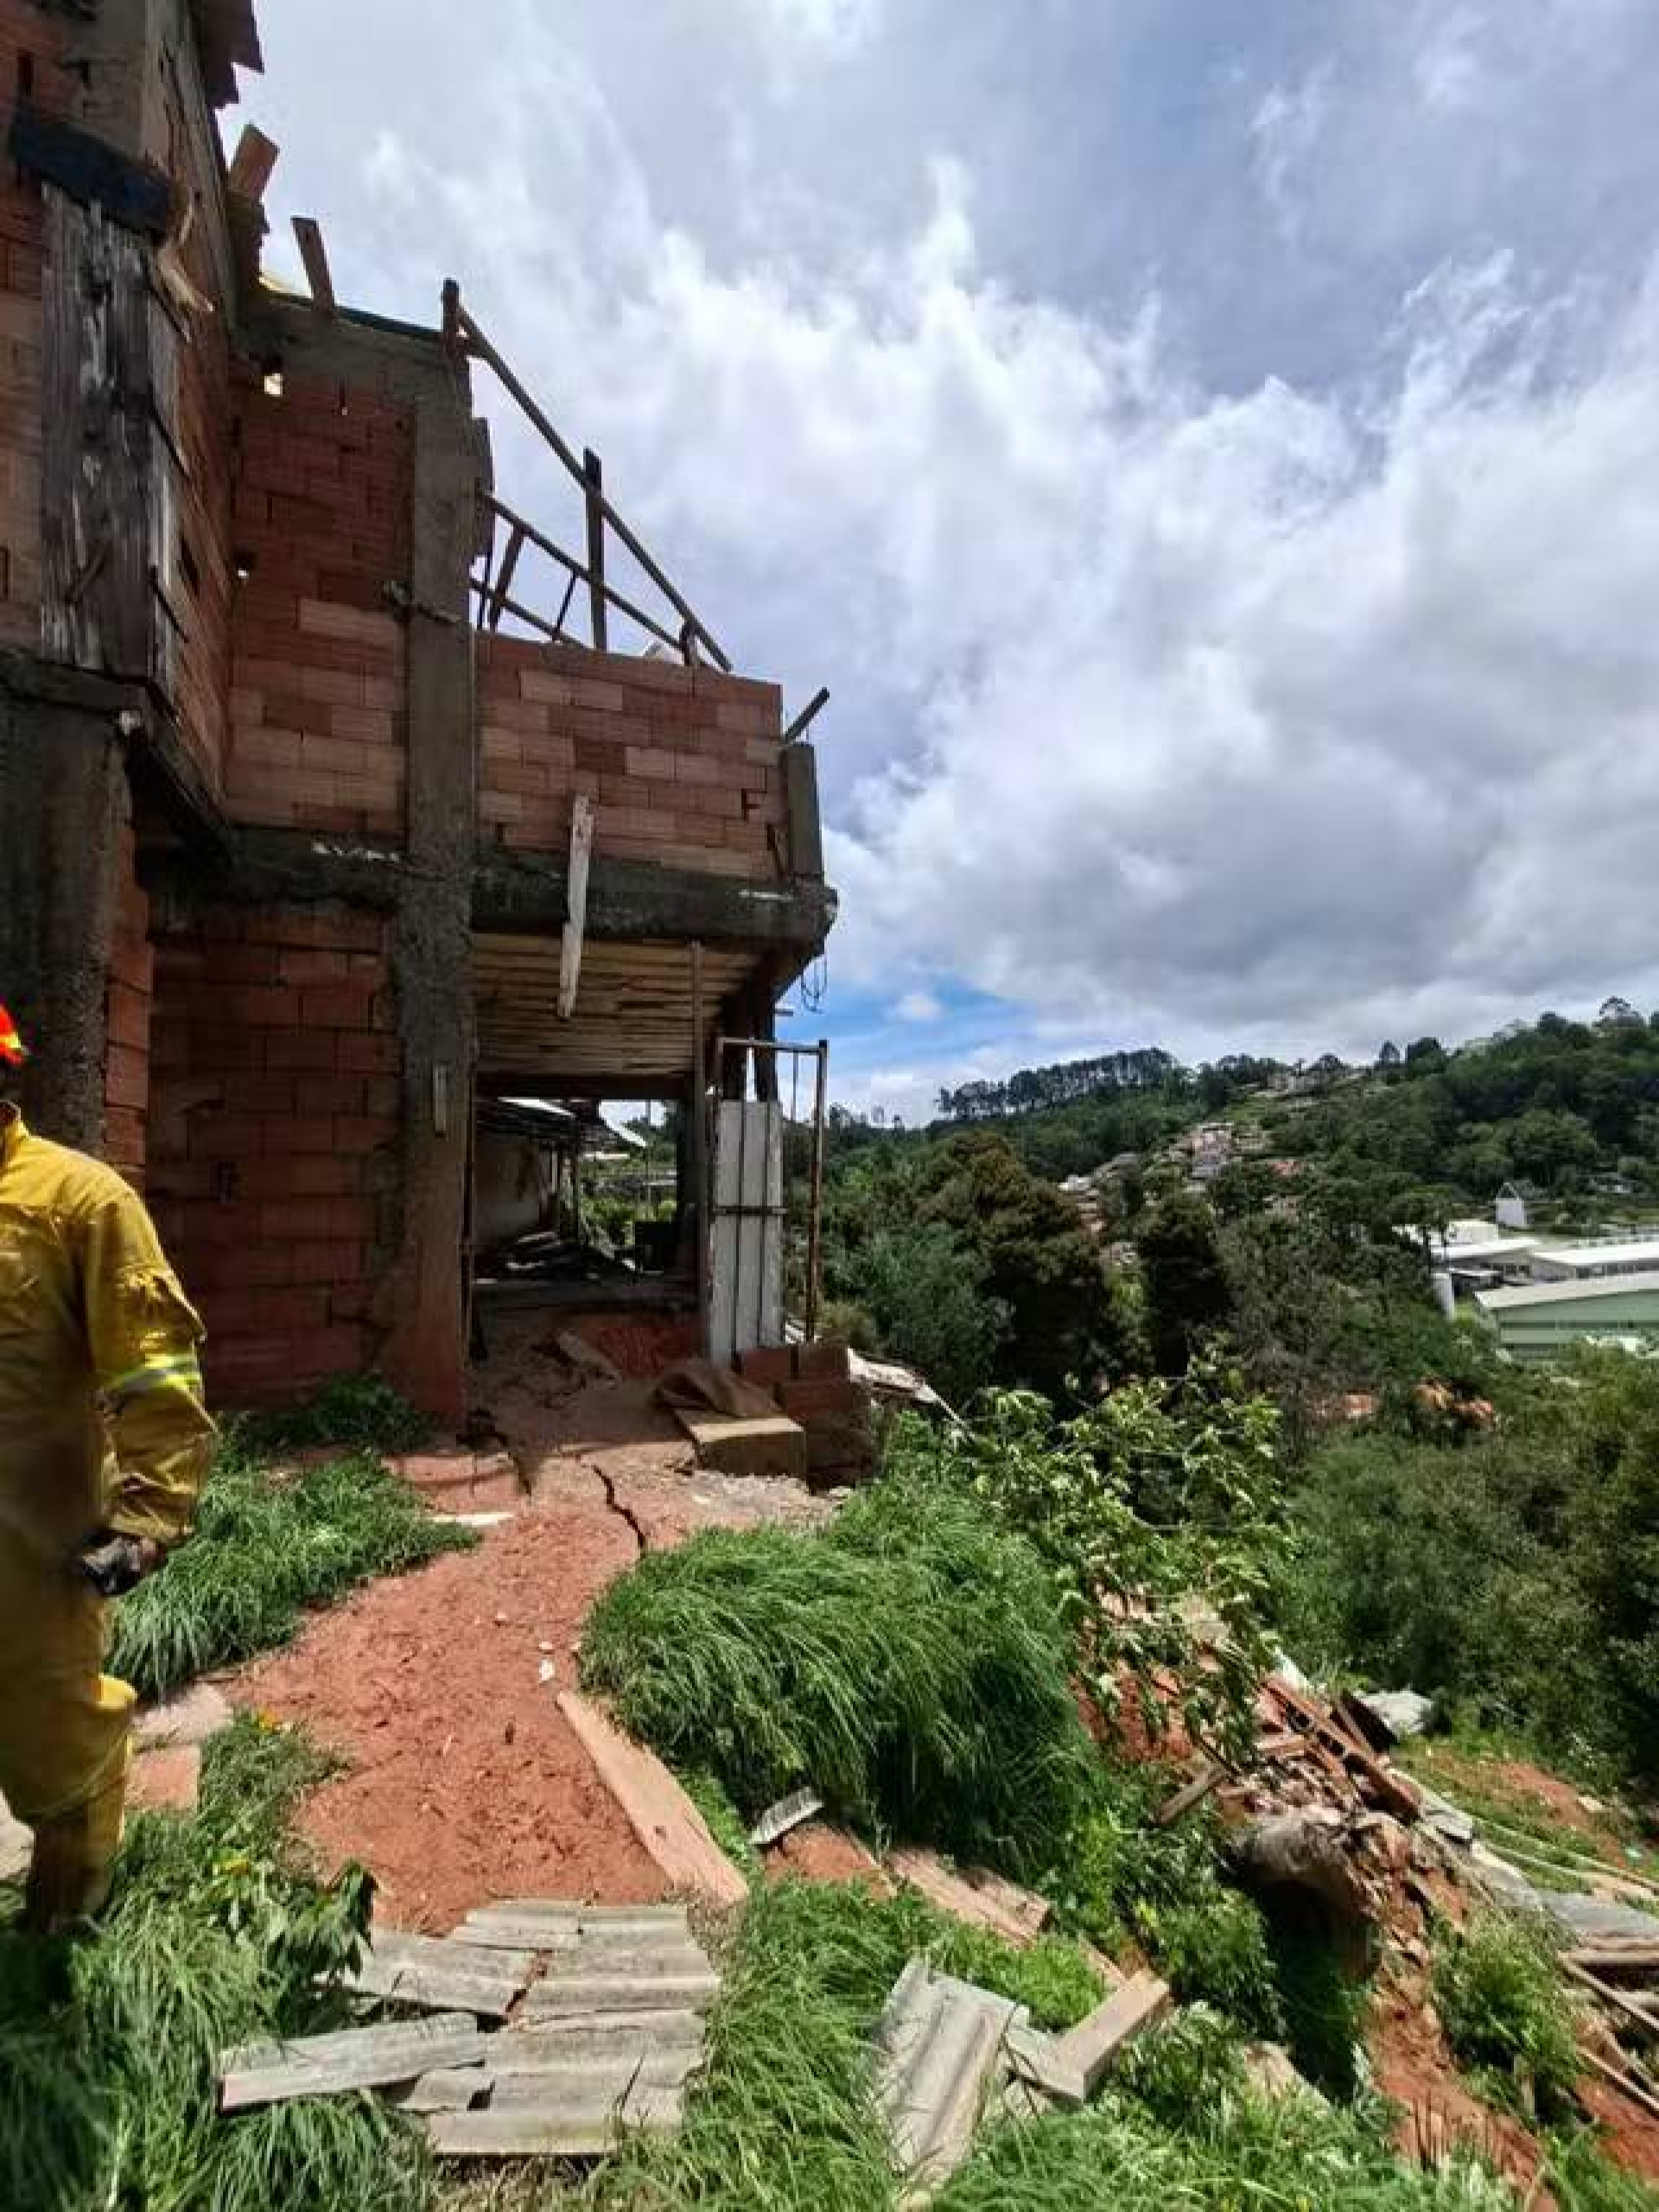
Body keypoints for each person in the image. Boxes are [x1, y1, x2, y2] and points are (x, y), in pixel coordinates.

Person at [0, 1001, 216, 1931]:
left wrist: (147, 1516)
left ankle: (64, 1935)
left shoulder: (77, 1202)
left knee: (57, 1747)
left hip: (29, 1550)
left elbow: (156, 1371)